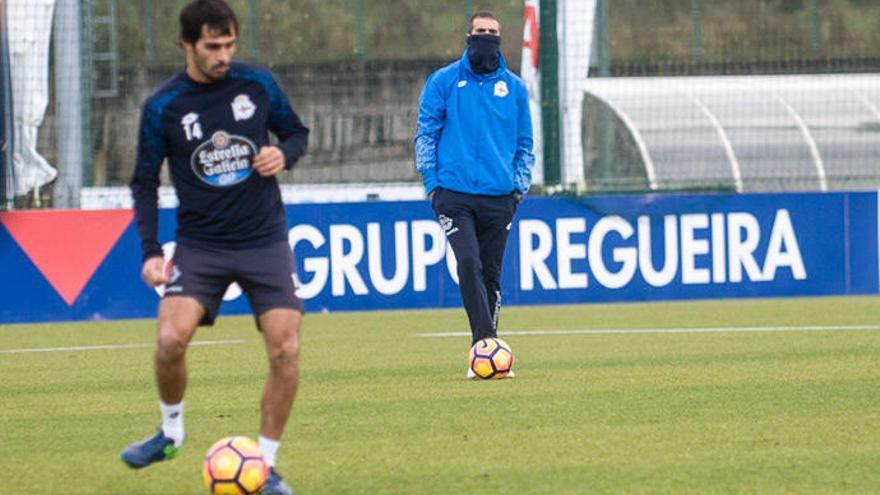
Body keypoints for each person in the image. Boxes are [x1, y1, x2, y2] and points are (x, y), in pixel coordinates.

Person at [121, 1, 308, 493]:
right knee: (169, 340)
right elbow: (144, 182)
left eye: (229, 44)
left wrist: (281, 153)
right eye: (212, 47)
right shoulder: (164, 106)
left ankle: (264, 467)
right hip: (201, 243)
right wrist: (150, 252)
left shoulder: (258, 84)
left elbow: (297, 133)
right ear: (186, 44)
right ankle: (170, 431)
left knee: (286, 347)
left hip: (264, 237)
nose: (224, 55)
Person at [414, 11, 535, 378]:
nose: (486, 37)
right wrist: (433, 183)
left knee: (492, 276)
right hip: (454, 195)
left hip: (500, 197)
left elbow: (525, 144)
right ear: (469, 36)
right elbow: (426, 133)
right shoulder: (444, 81)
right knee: (468, 263)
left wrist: (518, 187)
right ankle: (485, 344)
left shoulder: (514, 88)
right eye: (481, 32)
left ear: (501, 38)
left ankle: (487, 349)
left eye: (493, 32)